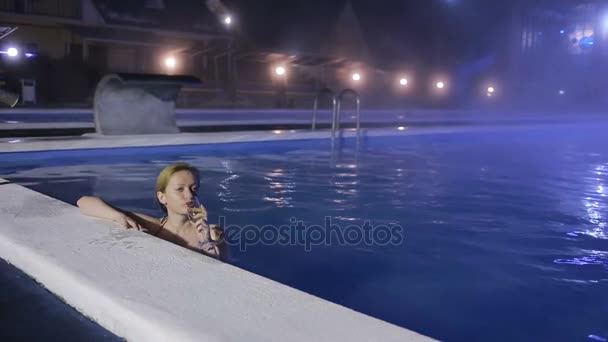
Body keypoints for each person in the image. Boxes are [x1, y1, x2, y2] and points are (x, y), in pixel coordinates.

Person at [77, 162, 225, 260]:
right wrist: (117, 216)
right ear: (162, 198)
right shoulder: (153, 226)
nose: (189, 195)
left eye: (194, 189)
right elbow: (83, 202)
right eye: (180, 189)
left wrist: (205, 242)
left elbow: (224, 270)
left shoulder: (212, 232)